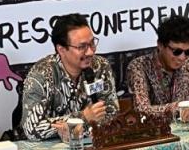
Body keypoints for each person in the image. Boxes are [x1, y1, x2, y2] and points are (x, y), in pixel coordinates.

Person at [21, 13, 118, 141]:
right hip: (47, 147)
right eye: (82, 47)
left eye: (92, 43)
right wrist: (83, 117)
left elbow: (111, 112)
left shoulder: (100, 66)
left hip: (89, 141)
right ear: (61, 49)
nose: (90, 52)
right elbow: (32, 128)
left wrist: (78, 128)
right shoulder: (41, 75)